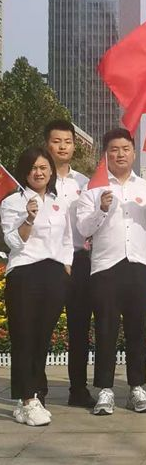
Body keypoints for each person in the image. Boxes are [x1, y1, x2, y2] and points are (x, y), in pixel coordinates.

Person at [77, 128, 146, 416]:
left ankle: (137, 388)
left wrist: (141, 243)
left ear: (134, 152)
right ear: (106, 154)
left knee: (137, 329)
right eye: (114, 149)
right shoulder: (93, 188)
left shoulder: (145, 188)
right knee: (105, 328)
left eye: (125, 149)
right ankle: (105, 389)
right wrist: (101, 209)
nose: (120, 154)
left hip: (137, 265)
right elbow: (83, 229)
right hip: (105, 267)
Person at [1, 147, 73, 426]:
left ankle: (31, 396)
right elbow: (13, 242)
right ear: (25, 171)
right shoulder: (13, 202)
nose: (39, 172)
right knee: (24, 337)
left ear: (51, 171)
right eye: (33, 168)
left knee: (42, 338)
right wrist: (28, 218)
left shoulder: (57, 202)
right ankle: (27, 399)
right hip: (24, 273)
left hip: (53, 273)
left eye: (44, 167)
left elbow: (67, 239)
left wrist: (66, 265)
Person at [44, 119, 95, 409]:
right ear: (47, 144)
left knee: (79, 329)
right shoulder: (38, 180)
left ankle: (78, 389)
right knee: (42, 327)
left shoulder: (84, 184)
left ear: (74, 146)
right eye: (57, 141)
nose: (62, 147)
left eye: (67, 142)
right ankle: (36, 389)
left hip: (78, 262)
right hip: (48, 262)